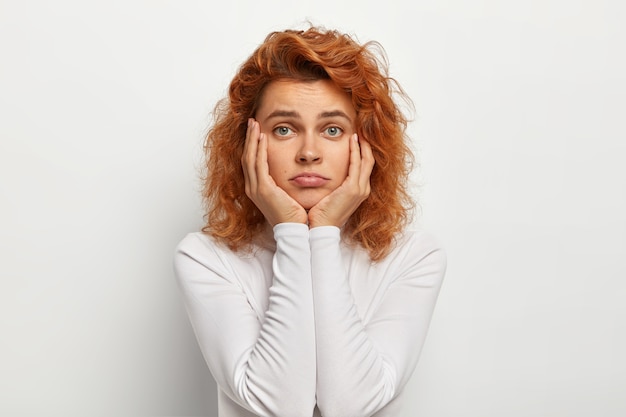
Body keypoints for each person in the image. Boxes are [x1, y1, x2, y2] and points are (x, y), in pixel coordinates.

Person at [174, 25, 446, 417]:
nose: (309, 152)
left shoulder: (414, 256)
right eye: (284, 129)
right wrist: (291, 230)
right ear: (249, 144)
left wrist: (323, 234)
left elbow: (350, 405)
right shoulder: (205, 257)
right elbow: (281, 405)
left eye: (332, 129)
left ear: (367, 144)